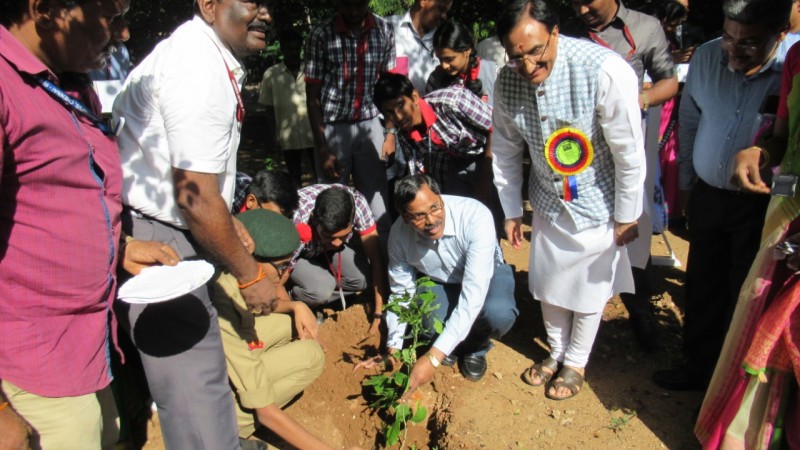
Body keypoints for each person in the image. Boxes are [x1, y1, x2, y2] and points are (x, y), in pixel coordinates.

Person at [0, 1, 180, 448]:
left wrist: (118, 245)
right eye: (111, 16)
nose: (123, 33)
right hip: (34, 365)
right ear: (46, 10)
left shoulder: (68, 83)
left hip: (86, 346)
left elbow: (55, 197)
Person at [112, 1, 279, 447]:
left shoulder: (197, 55)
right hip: (159, 240)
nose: (265, 14)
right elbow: (196, 197)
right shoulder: (198, 67)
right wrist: (251, 276)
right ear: (209, 6)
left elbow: (190, 181)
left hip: (160, 226)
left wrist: (221, 214)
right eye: (252, 2)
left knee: (197, 382)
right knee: (196, 393)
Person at [493, 0, 645, 400]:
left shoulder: (604, 70)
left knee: (589, 288)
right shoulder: (507, 81)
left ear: (555, 32)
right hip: (547, 199)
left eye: (536, 51)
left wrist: (627, 215)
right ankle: (556, 351)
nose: (528, 66)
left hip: (598, 200)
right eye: (516, 57)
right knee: (549, 282)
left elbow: (629, 150)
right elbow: (505, 149)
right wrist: (511, 209)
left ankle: (575, 361)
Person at [654, 0, 793, 391]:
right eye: (729, 36)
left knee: (745, 295)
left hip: (762, 205)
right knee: (702, 284)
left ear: (780, 33)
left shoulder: (791, 69)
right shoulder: (706, 57)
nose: (733, 49)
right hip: (708, 196)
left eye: (748, 42)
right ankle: (696, 366)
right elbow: (689, 121)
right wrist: (685, 185)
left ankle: (728, 384)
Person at [695, 40, 800, 450]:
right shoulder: (797, 59)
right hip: (787, 214)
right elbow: (784, 137)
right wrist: (759, 151)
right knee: (762, 313)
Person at [566, 0, 679, 352]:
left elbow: (669, 82)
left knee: (633, 226)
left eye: (588, 1)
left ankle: (639, 310)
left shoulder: (646, 27)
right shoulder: (568, 32)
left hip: (627, 145)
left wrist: (638, 99)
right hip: (578, 149)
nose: (581, 9)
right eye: (575, 2)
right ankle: (576, 315)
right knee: (582, 226)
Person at [211, 209, 351, 449]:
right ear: (251, 259)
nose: (285, 274)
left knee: (289, 324)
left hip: (223, 359)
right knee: (312, 356)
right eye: (282, 266)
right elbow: (265, 411)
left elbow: (258, 310)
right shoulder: (225, 303)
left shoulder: (228, 274)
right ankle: (235, 422)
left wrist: (296, 306)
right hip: (209, 401)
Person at [358, 175, 517, 386]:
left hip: (486, 276)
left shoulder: (475, 216)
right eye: (419, 216)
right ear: (405, 218)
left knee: (498, 313)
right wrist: (393, 348)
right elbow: (401, 293)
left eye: (435, 208)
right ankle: (452, 343)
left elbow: (473, 296)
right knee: (429, 323)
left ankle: (476, 347)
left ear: (440, 198)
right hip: (442, 281)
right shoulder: (399, 236)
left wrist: (434, 357)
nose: (431, 220)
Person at [305, 0, 395, 242]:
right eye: (348, 5)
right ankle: (336, 257)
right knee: (332, 199)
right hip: (333, 129)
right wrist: (323, 148)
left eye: (359, 5)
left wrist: (390, 133)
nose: (354, 12)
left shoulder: (384, 30)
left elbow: (389, 88)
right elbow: (312, 96)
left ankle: (383, 255)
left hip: (371, 127)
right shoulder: (321, 35)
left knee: (378, 201)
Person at [374, 73, 495, 211]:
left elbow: (497, 126)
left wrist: (486, 175)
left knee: (493, 211)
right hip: (453, 168)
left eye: (401, 106)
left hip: (489, 155)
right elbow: (418, 172)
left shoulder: (453, 101)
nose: (398, 117)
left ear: (414, 97)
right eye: (389, 113)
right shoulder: (404, 135)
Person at [290, 184, 388, 335]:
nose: (337, 243)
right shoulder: (296, 219)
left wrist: (378, 314)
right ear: (314, 219)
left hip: (320, 249)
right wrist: (288, 306)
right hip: (297, 254)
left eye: (343, 236)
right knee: (321, 289)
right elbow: (276, 276)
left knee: (362, 279)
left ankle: (318, 296)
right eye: (329, 236)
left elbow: (376, 258)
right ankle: (299, 297)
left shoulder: (357, 204)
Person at [259, 29, 316, 186]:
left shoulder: (311, 70)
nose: (293, 52)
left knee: (319, 171)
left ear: (300, 48)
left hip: (312, 132)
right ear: (282, 50)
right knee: (294, 175)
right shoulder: (271, 74)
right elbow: (268, 109)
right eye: (289, 49)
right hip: (287, 136)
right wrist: (273, 135)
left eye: (296, 48)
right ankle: (296, 200)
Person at [386, 0, 453, 93]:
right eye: (441, 9)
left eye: (446, 12)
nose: (444, 16)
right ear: (423, 1)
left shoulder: (444, 40)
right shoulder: (388, 28)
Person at [426, 19, 498, 105]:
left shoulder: (494, 73)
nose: (444, 65)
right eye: (440, 59)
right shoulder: (435, 79)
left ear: (467, 51)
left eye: (449, 59)